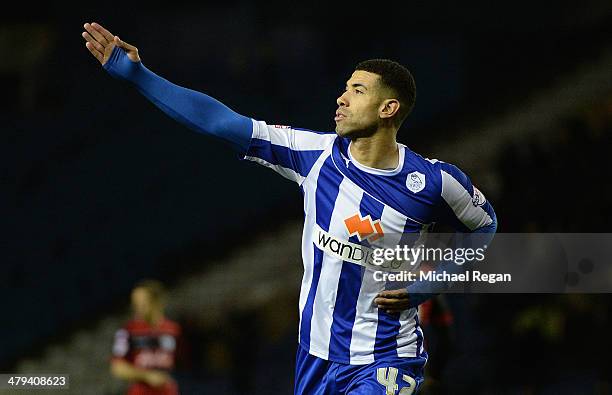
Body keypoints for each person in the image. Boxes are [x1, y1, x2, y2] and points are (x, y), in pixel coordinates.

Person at [83, 21, 496, 394]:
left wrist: (430, 284)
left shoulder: (435, 182)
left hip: (385, 358)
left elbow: (485, 227)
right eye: (345, 87)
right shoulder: (313, 155)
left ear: (389, 109)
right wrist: (138, 75)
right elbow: (220, 122)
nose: (341, 98)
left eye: (357, 91)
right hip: (315, 356)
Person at [111, 279, 181, 395]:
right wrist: (146, 376)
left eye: (142, 302)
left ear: (156, 301)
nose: (137, 307)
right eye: (135, 303)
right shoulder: (127, 331)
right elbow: (117, 367)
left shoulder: (174, 329)